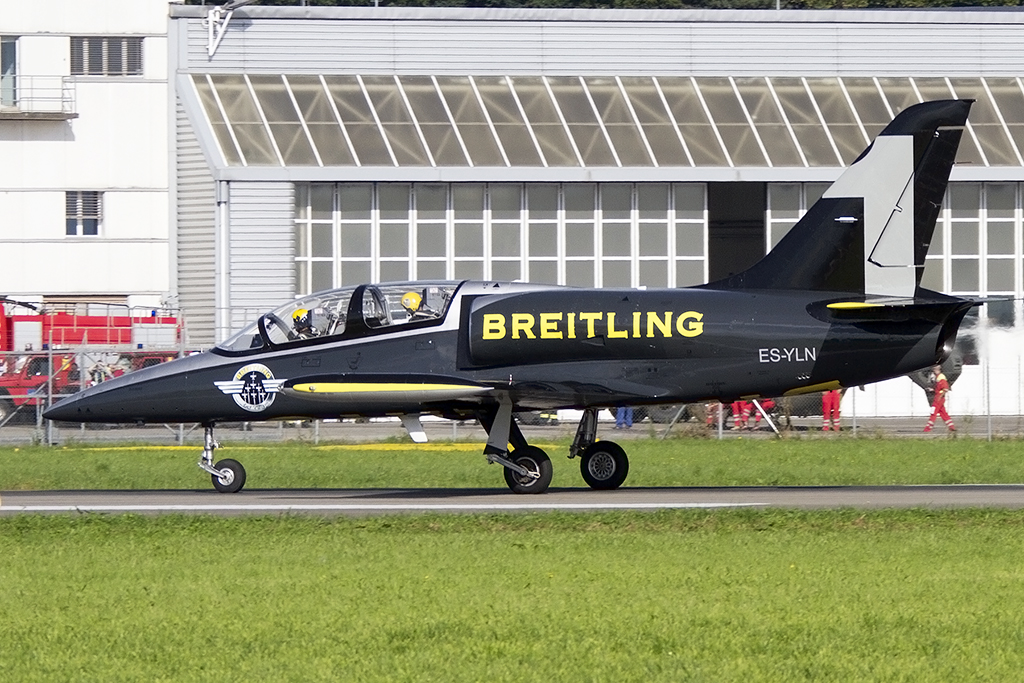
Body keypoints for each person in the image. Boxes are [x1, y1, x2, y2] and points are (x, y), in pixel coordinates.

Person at [924, 364, 956, 432]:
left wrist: (940, 397)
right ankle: (951, 426)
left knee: (933, 412)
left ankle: (928, 428)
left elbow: (945, 388)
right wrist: (932, 390)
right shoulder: (938, 377)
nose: (933, 371)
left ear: (936, 370)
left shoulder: (941, 377)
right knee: (943, 413)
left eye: (934, 370)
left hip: (938, 398)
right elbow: (939, 388)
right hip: (938, 397)